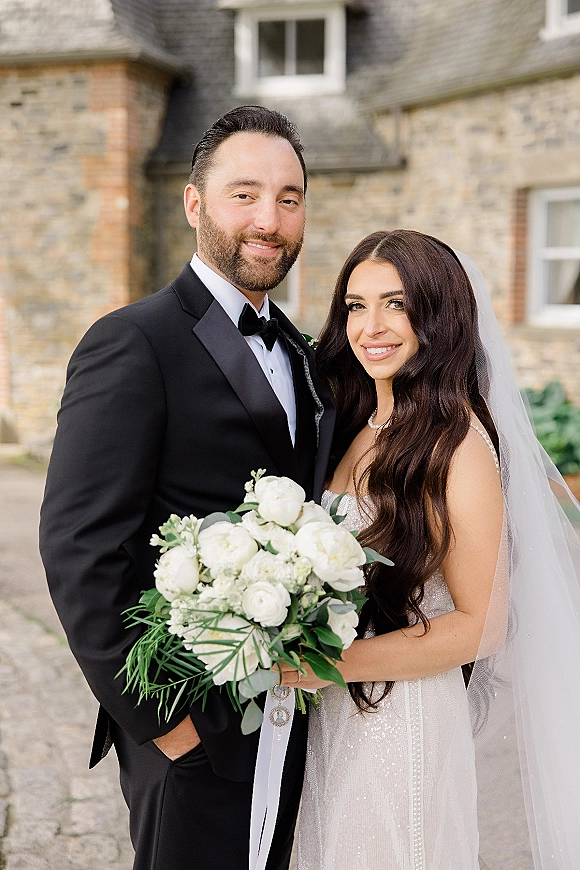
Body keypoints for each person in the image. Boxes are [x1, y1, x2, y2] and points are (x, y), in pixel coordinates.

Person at [39, 106, 335, 870]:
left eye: (289, 198)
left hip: (289, 714)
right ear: (195, 202)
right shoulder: (133, 341)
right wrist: (165, 725)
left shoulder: (302, 353)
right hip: (189, 730)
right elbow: (79, 548)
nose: (270, 219)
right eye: (245, 194)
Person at [280, 229, 580, 870]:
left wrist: (324, 665)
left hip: (401, 717)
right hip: (335, 711)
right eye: (356, 305)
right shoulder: (361, 424)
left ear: (438, 315)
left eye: (397, 303)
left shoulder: (457, 441)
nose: (371, 326)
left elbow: (481, 626)